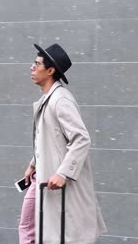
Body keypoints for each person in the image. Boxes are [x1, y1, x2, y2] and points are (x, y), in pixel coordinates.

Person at [18, 43, 106, 244]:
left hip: (56, 179)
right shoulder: (47, 99)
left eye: (37, 64)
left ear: (50, 71)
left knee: (55, 233)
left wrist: (63, 173)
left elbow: (81, 138)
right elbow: (48, 138)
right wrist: (33, 164)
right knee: (28, 226)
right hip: (41, 176)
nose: (32, 67)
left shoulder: (61, 100)